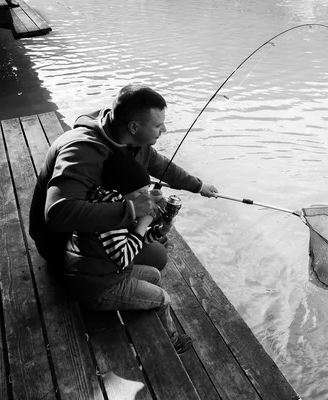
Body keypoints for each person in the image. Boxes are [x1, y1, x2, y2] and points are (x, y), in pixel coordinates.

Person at [29, 84, 218, 269]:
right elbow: (57, 213)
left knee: (159, 233)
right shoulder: (80, 150)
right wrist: (132, 209)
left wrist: (198, 186)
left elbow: (162, 166)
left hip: (93, 232)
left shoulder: (126, 135)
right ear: (134, 127)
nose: (165, 130)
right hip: (59, 245)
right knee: (158, 256)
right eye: (158, 125)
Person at [64, 151, 192, 353]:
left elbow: (132, 242)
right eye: (139, 194)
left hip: (101, 274)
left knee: (154, 275)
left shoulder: (111, 202)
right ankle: (172, 343)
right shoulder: (110, 217)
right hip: (100, 289)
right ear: (120, 191)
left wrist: (159, 230)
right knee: (162, 298)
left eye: (146, 192)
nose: (145, 199)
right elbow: (124, 257)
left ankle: (143, 311)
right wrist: (143, 224)